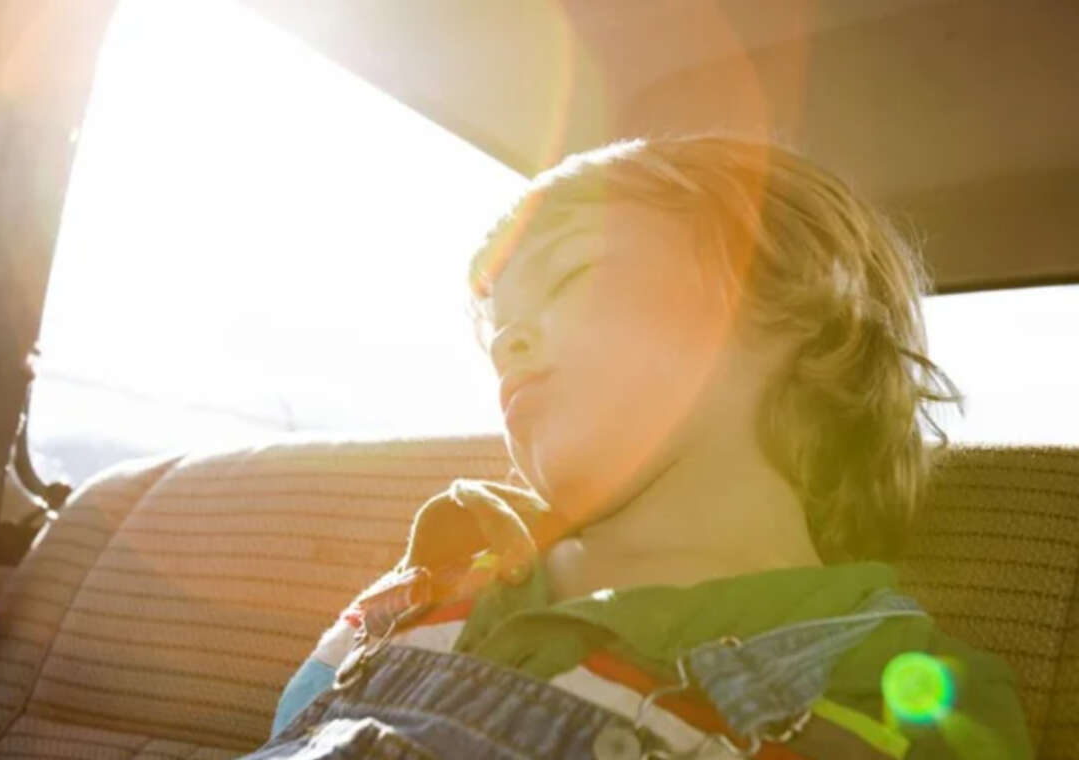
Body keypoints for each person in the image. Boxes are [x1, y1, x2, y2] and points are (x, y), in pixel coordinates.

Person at [246, 136, 1034, 759]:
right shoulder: (420, 590)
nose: (507, 343)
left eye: (576, 273)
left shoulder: (905, 699)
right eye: (499, 327)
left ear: (799, 299)